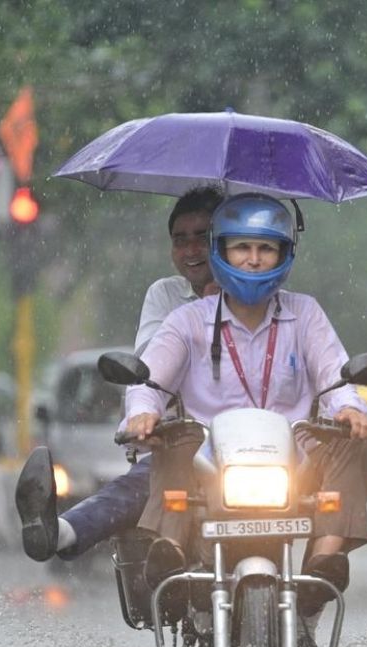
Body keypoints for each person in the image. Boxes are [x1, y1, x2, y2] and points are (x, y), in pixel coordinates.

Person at [122, 192, 367, 615]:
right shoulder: (187, 320)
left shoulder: (306, 313)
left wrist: (353, 412)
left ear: (285, 254)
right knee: (173, 436)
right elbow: (148, 380)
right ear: (220, 251)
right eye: (242, 247)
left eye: (266, 248)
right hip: (209, 462)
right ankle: (168, 554)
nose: (254, 260)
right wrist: (142, 414)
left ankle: (323, 564)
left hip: (291, 462)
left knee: (356, 445)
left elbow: (336, 379)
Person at [16, 187, 223, 562]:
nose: (192, 250)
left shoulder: (274, 303)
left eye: (203, 238)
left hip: (256, 453)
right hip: (182, 443)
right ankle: (61, 531)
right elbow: (150, 370)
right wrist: (205, 311)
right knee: (141, 483)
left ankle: (311, 586)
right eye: (181, 240)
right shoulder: (166, 297)